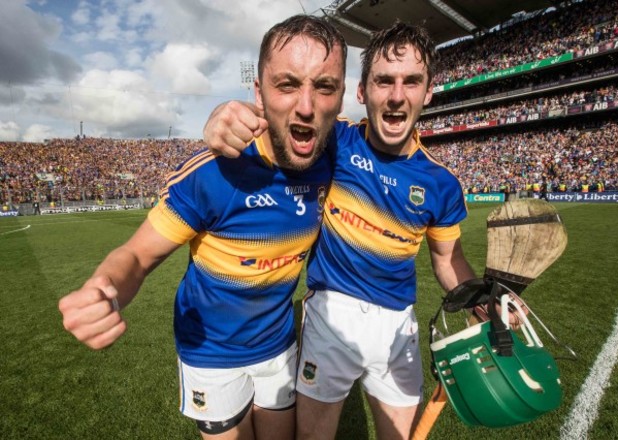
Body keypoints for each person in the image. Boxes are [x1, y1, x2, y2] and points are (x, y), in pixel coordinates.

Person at [58, 15, 347, 440]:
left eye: (324, 86)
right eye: (287, 84)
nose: (307, 105)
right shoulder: (210, 173)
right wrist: (105, 289)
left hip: (279, 346)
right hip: (210, 352)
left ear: (341, 96)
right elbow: (137, 256)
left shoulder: (334, 152)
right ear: (258, 93)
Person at [203, 22, 478, 440]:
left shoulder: (442, 183)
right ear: (362, 92)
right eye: (384, 80)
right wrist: (220, 115)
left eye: (411, 82)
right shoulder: (336, 142)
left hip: (397, 327)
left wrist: (484, 302)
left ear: (428, 92)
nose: (397, 95)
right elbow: (280, 120)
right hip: (330, 316)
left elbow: (448, 260)